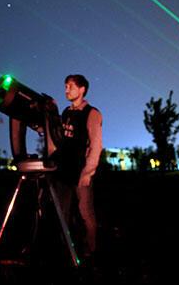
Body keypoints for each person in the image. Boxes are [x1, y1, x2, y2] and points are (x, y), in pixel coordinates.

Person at [53, 74, 103, 260]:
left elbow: (96, 145)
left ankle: (91, 249)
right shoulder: (66, 113)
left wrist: (88, 173)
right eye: (66, 86)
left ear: (82, 89)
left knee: (85, 213)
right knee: (62, 212)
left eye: (71, 87)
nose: (67, 90)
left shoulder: (92, 113)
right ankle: (67, 249)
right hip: (63, 171)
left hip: (80, 172)